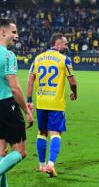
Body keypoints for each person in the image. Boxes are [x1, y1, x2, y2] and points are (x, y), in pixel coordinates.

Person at [26, 33, 77, 177]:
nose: (67, 46)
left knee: (41, 132)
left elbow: (30, 80)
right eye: (65, 44)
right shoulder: (64, 59)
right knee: (55, 133)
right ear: (58, 44)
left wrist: (29, 100)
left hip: (41, 102)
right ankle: (51, 164)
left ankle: (41, 165)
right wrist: (75, 93)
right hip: (56, 103)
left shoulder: (38, 58)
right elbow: (72, 82)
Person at [0, 18, 33, 185]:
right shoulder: (7, 55)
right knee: (20, 151)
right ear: (2, 32)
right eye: (13, 32)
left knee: (1, 154)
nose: (17, 36)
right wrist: (27, 111)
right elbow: (14, 88)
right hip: (6, 105)